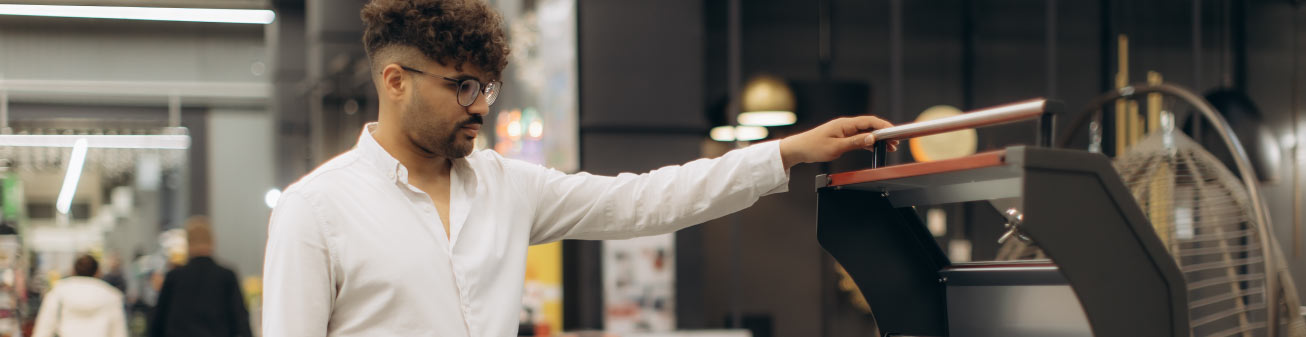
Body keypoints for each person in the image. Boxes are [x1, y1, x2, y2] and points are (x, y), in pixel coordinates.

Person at [261, 0, 899, 336]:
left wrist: (787, 151)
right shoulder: (315, 210)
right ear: (395, 81)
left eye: (489, 87)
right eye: (462, 87)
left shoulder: (508, 188)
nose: (480, 106)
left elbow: (650, 200)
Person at [150, 217, 252, 337]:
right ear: (212, 242)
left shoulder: (174, 277)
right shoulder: (227, 276)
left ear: (188, 243)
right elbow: (241, 322)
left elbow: (157, 324)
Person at [32, 254, 128, 337]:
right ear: (98, 272)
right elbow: (119, 333)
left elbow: (43, 331)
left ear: (73, 270)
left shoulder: (58, 293)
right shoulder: (112, 296)